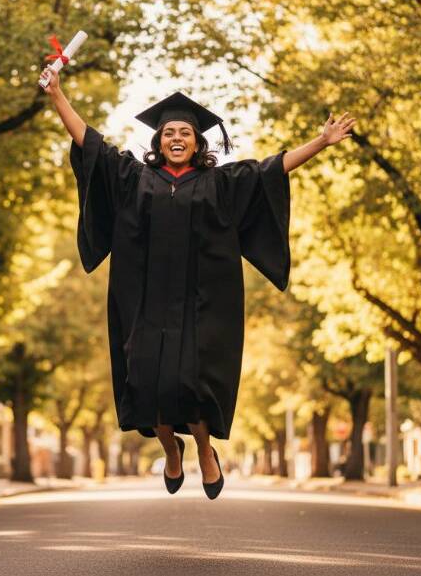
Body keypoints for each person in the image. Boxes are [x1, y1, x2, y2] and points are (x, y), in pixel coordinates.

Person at [40, 67, 355, 499]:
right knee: (150, 384)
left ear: (197, 141)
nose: (176, 137)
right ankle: (171, 452)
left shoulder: (220, 183)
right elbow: (90, 143)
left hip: (198, 306)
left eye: (184, 132)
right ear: (158, 140)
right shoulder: (134, 178)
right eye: (169, 131)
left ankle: (205, 451)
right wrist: (57, 96)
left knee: (190, 385)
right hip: (146, 308)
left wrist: (320, 142)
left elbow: (270, 170)